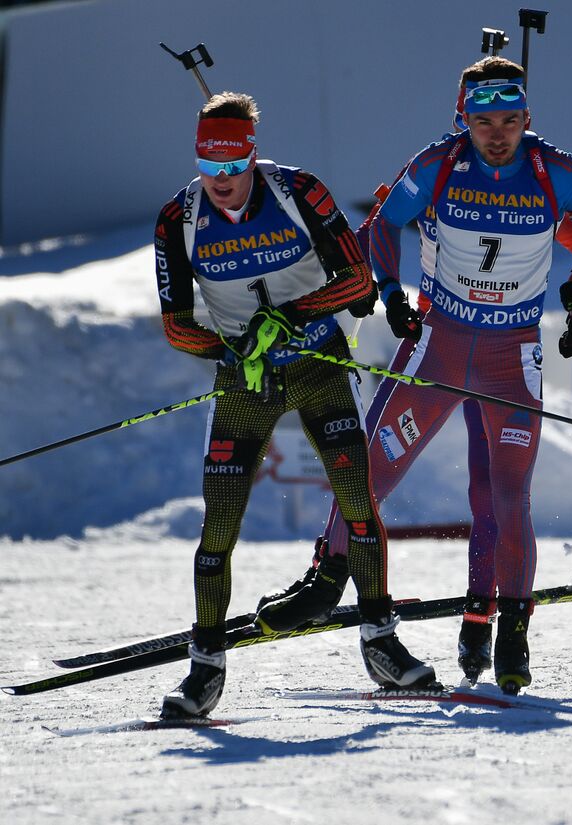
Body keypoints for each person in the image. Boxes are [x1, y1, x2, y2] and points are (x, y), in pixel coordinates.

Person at [256, 56, 572, 694]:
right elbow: (381, 223)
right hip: (439, 346)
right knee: (368, 474)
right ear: (464, 118)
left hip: (512, 354)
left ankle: (510, 627)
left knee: (507, 496)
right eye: (484, 121)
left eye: (510, 120)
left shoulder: (553, 170)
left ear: (527, 119)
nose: (497, 134)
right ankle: (327, 580)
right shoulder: (439, 165)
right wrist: (390, 289)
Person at [154, 92, 434, 717]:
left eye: (234, 165)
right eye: (209, 164)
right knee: (218, 527)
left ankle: (381, 641)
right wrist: (229, 348)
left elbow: (357, 279)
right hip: (246, 383)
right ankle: (205, 667)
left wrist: (287, 317)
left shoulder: (299, 192)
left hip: (318, 368)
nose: (222, 181)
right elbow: (176, 325)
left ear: (253, 155)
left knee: (358, 504)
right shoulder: (178, 218)